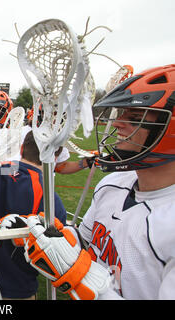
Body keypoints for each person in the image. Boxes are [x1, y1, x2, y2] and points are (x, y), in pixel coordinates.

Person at [18, 64, 175, 300]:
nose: (117, 124)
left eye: (133, 117)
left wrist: (79, 278)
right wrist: (42, 230)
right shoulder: (113, 184)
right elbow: (84, 242)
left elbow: (79, 269)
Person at [0, 131, 68, 300]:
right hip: (16, 288)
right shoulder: (51, 201)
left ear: (21, 149)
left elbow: (9, 171)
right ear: (54, 158)